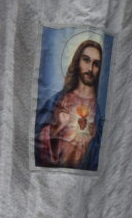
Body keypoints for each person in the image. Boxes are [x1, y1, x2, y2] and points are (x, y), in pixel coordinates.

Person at [34, 38, 105, 170]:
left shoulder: (99, 111)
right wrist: (56, 127)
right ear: (77, 61)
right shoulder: (58, 100)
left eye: (96, 64)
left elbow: (100, 155)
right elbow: (35, 137)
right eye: (86, 60)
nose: (90, 68)